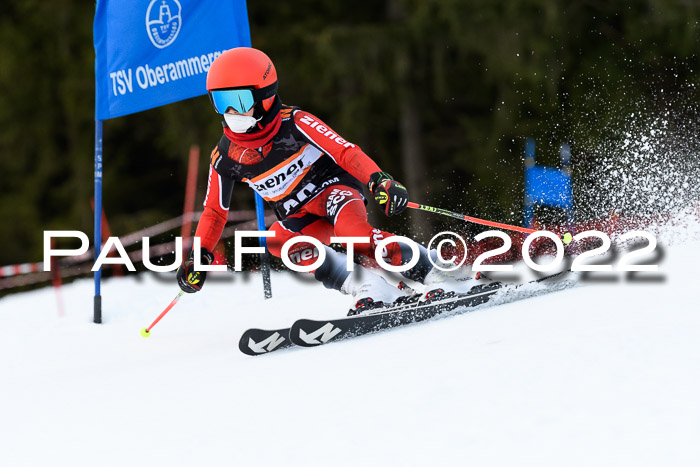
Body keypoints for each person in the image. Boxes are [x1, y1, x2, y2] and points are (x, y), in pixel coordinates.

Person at [176, 47, 459, 312]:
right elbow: (215, 212)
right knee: (278, 240)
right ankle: (367, 285)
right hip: (300, 215)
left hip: (333, 191)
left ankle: (433, 272)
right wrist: (199, 256)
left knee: (354, 235)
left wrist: (378, 180)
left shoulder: (295, 123)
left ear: (264, 96)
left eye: (239, 101)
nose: (231, 113)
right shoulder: (225, 157)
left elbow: (345, 152)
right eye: (221, 102)